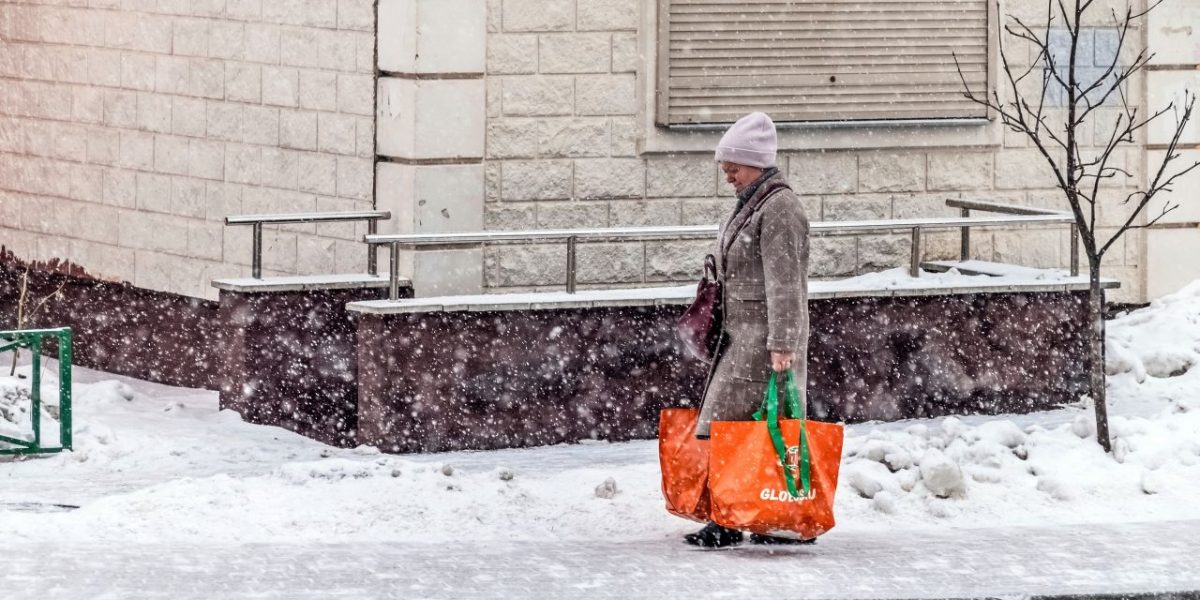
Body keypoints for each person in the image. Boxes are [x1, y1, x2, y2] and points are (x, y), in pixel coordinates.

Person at [685, 112, 811, 548]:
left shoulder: (780, 208)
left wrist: (782, 344)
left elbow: (786, 280)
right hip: (740, 339)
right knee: (735, 430)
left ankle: (744, 518)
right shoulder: (753, 203)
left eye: (733, 168)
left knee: (741, 430)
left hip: (763, 344)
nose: (729, 177)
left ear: (757, 162)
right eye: (726, 169)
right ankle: (745, 513)